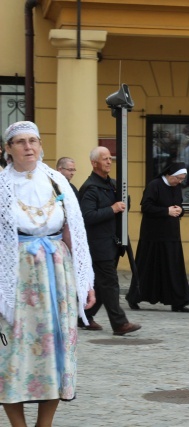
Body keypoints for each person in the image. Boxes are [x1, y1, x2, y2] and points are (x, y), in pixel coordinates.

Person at [0, 121, 96, 427]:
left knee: (56, 349)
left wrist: (85, 281)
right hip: (15, 277)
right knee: (11, 352)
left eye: (33, 140)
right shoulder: (2, 185)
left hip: (57, 274)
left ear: (41, 145)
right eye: (20, 142)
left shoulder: (57, 181)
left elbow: (75, 233)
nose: (28, 146)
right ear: (8, 149)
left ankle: (45, 424)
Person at [78, 146, 141, 336]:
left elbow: (123, 206)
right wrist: (112, 209)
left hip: (112, 242)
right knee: (110, 283)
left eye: (110, 159)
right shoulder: (90, 188)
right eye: (104, 159)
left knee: (100, 284)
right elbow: (87, 216)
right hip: (98, 244)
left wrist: (123, 201)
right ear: (94, 163)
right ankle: (120, 323)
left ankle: (84, 316)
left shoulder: (113, 184)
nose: (108, 162)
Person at [126, 162, 189, 313]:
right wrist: (166, 211)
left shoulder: (176, 188)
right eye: (178, 178)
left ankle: (178, 302)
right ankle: (134, 297)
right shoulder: (154, 185)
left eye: (182, 179)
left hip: (171, 235)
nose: (180, 182)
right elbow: (146, 207)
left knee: (173, 269)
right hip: (153, 236)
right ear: (170, 175)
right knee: (146, 268)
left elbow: (179, 206)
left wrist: (180, 210)